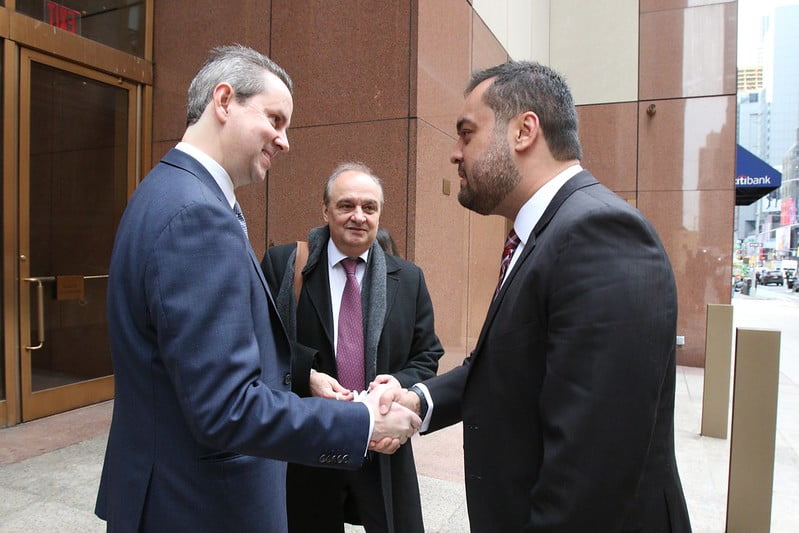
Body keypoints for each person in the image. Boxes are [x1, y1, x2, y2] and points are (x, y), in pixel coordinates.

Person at [94, 45, 420, 532]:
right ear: (224, 101)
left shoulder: (167, 190)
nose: (284, 141)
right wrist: (363, 420)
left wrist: (303, 378)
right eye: (275, 119)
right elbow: (226, 407)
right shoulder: (198, 216)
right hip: (199, 506)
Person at [385, 61, 692, 531]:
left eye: (466, 133)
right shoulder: (545, 233)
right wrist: (419, 399)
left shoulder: (601, 234)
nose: (454, 153)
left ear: (524, 131)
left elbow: (592, 473)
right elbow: (507, 366)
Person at [261, 162, 444, 532]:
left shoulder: (409, 279)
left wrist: (397, 385)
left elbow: (427, 355)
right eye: (346, 205)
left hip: (382, 443)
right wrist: (307, 375)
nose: (358, 216)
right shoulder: (285, 265)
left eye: (369, 207)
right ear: (325, 210)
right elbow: (261, 341)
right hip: (310, 442)